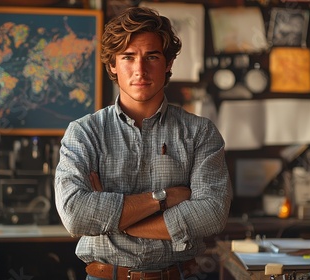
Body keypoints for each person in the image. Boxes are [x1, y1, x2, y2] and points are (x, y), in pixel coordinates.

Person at [54, 6, 232, 280]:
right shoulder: (83, 133)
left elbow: (212, 213)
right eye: (128, 57)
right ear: (112, 64)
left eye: (152, 56)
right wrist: (163, 198)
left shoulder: (200, 132)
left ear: (168, 63)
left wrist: (114, 221)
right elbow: (76, 215)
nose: (140, 69)